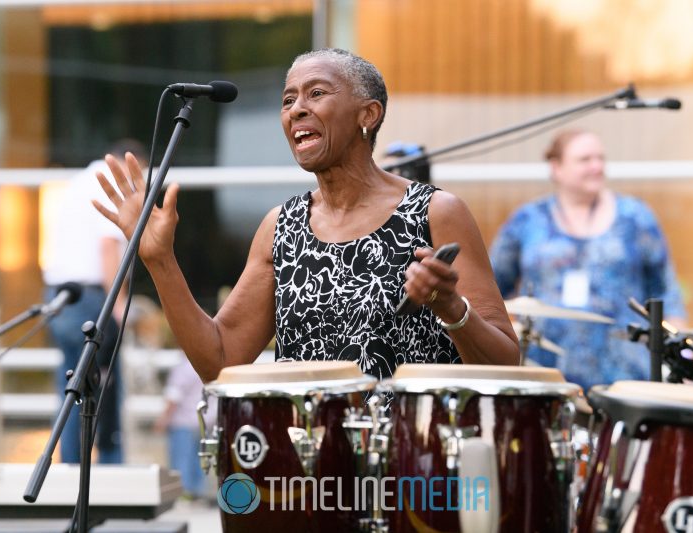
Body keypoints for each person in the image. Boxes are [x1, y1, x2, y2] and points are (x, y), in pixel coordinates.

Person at [92, 49, 519, 390]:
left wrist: (449, 306)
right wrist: (159, 260)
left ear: (366, 116)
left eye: (316, 93)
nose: (296, 109)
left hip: (409, 474)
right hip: (308, 477)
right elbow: (219, 362)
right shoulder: (281, 226)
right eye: (288, 99)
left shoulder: (434, 211)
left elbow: (504, 361)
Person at [489, 129, 686, 390]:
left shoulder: (636, 218)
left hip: (626, 378)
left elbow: (667, 293)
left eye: (601, 158)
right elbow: (489, 290)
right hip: (546, 378)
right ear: (556, 168)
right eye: (585, 160)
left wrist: (680, 354)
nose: (597, 167)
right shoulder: (527, 220)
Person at [43, 139, 148, 464]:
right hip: (90, 298)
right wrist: (119, 308)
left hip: (60, 295)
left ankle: (71, 468)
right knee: (99, 390)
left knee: (72, 386)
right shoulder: (109, 183)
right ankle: (103, 468)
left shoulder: (74, 184)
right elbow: (108, 249)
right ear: (130, 163)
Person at [154, 352, 214, 502]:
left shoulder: (182, 368)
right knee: (199, 459)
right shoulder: (207, 367)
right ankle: (198, 493)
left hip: (183, 422)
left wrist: (163, 419)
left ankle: (183, 494)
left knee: (181, 460)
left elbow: (174, 396)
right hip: (204, 422)